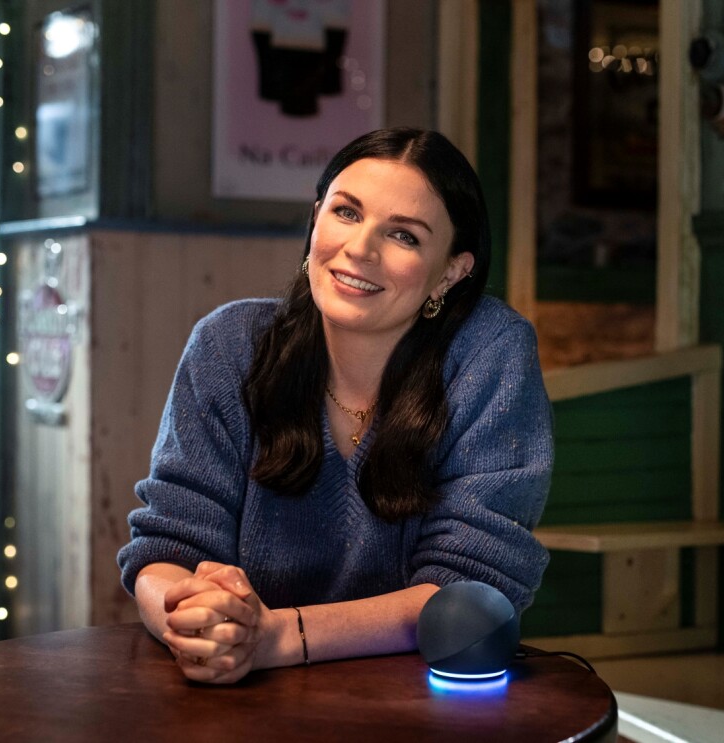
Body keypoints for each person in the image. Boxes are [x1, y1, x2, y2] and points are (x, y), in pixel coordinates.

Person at [117, 128, 553, 684]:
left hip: (417, 697)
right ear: (315, 218)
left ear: (451, 271)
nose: (360, 249)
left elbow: (469, 589)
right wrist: (200, 625)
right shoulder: (228, 345)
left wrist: (278, 636)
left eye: (404, 235)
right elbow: (166, 549)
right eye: (346, 213)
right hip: (241, 689)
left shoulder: (490, 351)